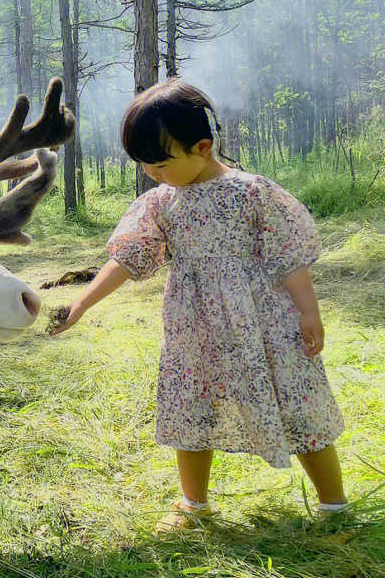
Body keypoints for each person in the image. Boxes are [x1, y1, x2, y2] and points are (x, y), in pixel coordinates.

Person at [50, 79, 348, 533]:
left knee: (293, 399)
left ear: (203, 147)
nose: (151, 172)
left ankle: (334, 507)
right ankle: (194, 504)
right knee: (190, 405)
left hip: (264, 321)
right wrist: (82, 303)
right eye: (142, 163)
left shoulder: (252, 193)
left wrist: (309, 311)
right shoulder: (160, 203)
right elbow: (127, 260)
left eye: (160, 161)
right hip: (196, 327)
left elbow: (287, 258)